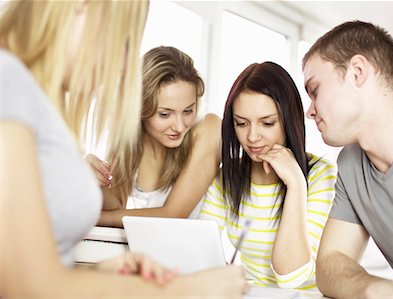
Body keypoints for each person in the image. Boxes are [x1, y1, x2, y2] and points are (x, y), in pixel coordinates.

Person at [0, 1, 247, 297]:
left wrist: (98, 274)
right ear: (81, 6)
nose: (122, 68)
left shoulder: (25, 91)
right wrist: (187, 289)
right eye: (123, 41)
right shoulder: (9, 81)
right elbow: (27, 286)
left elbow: (34, 270)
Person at [302, 20, 393, 299]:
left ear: (357, 72)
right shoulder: (351, 166)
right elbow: (331, 261)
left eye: (315, 90)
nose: (310, 111)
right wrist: (372, 288)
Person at [199, 62, 337, 290]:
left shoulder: (321, 174)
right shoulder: (228, 177)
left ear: (289, 119)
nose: (252, 136)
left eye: (267, 123)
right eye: (241, 123)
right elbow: (199, 250)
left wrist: (295, 184)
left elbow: (292, 277)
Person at [86, 46, 222, 227]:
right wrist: (90, 179)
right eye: (165, 114)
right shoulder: (129, 139)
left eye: (188, 110)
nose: (180, 126)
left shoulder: (209, 129)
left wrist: (92, 219)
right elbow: (115, 203)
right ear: (141, 108)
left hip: (192, 254)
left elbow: (173, 215)